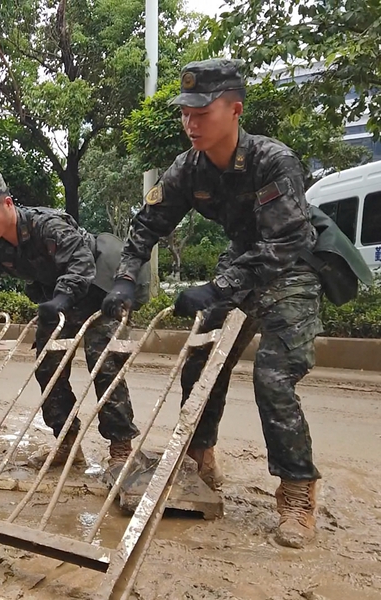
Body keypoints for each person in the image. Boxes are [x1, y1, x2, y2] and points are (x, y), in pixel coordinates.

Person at [101, 58, 326, 548]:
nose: (191, 123)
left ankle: (297, 489)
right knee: (201, 360)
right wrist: (123, 279)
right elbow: (146, 226)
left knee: (273, 376)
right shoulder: (189, 167)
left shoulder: (272, 160)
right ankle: (200, 457)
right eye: (186, 112)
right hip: (242, 263)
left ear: (235, 110)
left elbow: (289, 240)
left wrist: (220, 287)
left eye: (202, 112)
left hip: (291, 269)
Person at [0, 169, 142, 470]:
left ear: (7, 203)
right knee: (48, 365)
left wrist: (63, 296)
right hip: (56, 301)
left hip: (96, 291)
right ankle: (67, 444)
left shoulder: (46, 225)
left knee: (104, 364)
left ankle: (121, 448)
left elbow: (81, 261)